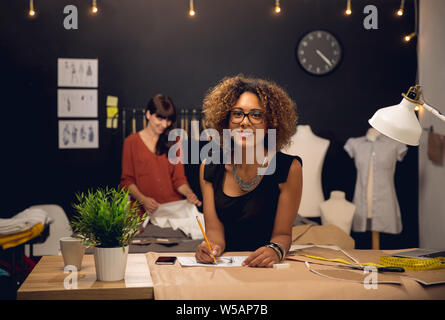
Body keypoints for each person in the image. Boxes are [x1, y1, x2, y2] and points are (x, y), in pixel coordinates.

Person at [195, 75, 303, 267]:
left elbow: (283, 235)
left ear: (271, 123)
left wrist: (275, 250)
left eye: (256, 115)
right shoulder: (209, 168)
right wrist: (211, 248)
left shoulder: (288, 169)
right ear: (225, 121)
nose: (244, 122)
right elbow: (215, 235)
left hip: (267, 271)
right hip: (226, 272)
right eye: (237, 113)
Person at [120, 94, 201, 216]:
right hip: (142, 212)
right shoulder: (131, 142)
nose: (164, 124)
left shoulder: (175, 141)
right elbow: (126, 182)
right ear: (148, 114)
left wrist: (189, 194)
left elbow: (179, 179)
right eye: (160, 118)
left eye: (168, 120)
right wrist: (143, 200)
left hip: (172, 209)